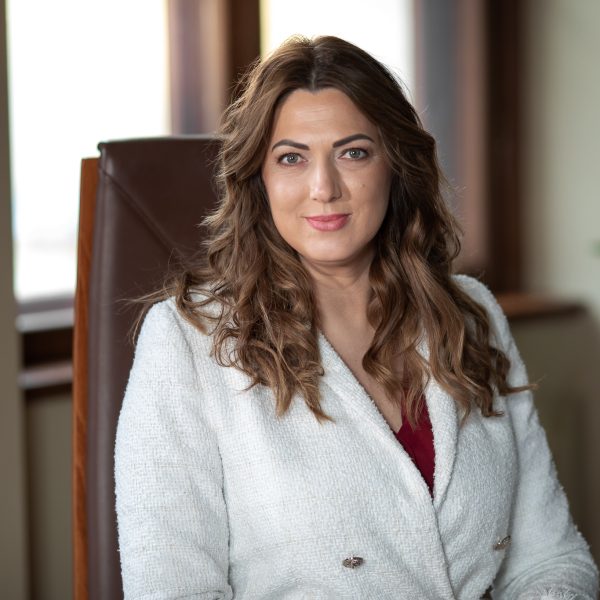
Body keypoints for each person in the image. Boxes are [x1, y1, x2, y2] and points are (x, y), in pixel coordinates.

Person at [114, 35, 598, 599]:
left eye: (353, 152)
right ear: (258, 179)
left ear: (396, 165)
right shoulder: (187, 340)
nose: (324, 188)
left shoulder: (472, 315)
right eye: (291, 158)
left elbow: (550, 560)